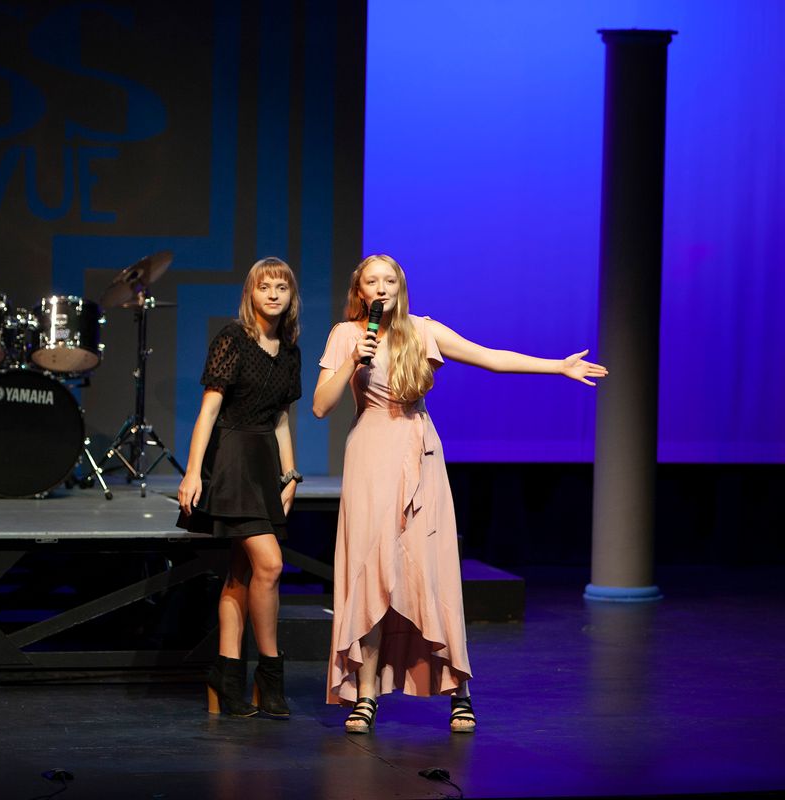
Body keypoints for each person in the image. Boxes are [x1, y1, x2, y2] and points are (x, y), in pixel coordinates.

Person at [313, 254, 607, 733]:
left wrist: (557, 367)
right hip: (369, 456)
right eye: (372, 281)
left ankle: (459, 691)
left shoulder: (423, 330)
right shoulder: (346, 335)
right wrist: (351, 361)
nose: (382, 288)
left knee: (429, 571)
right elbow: (320, 407)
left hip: (419, 453)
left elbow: (491, 358)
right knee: (370, 572)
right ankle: (365, 695)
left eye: (390, 280)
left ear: (400, 286)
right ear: (360, 291)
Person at [177, 257, 304, 718]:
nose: (273, 294)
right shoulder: (232, 339)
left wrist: (290, 476)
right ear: (251, 293)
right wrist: (193, 472)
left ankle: (225, 677)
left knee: (240, 574)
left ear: (291, 297)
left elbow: (282, 419)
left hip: (264, 464)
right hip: (231, 460)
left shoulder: (289, 350)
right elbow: (209, 410)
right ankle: (269, 674)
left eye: (281, 288)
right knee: (270, 564)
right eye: (264, 287)